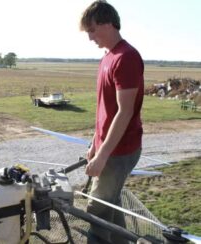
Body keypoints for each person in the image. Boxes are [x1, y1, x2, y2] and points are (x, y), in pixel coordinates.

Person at [79, 1, 144, 243]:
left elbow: (124, 112)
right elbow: (104, 111)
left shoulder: (126, 58)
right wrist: (95, 143)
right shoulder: (108, 57)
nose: (90, 38)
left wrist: (103, 155)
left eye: (92, 30)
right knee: (111, 204)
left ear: (107, 23)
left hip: (120, 150)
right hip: (109, 147)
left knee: (95, 212)